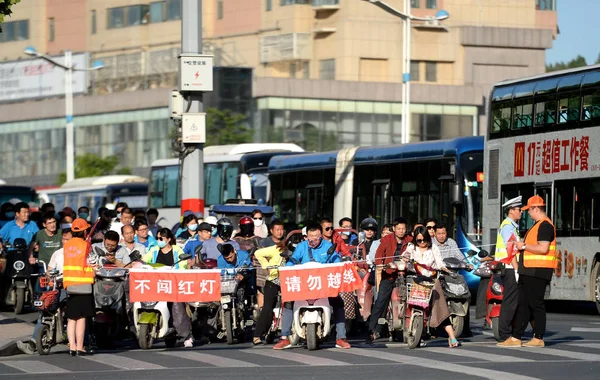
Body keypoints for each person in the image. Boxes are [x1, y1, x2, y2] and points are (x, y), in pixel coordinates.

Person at [273, 223, 351, 350]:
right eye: (310, 238)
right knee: (287, 302)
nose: (312, 240)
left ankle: (341, 337)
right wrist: (286, 269)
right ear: (306, 236)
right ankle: (284, 337)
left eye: (315, 237)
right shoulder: (301, 247)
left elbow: (336, 262)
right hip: (304, 284)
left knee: (338, 302)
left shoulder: (328, 247)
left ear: (321, 236)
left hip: (323, 285)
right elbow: (292, 261)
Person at [498, 195, 557, 348]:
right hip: (529, 270)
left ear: (536, 209)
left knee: (535, 304)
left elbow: (543, 248)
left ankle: (538, 337)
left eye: (529, 210)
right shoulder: (537, 225)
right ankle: (516, 337)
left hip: (538, 271)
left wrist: (523, 246)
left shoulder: (545, 226)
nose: (527, 214)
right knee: (523, 304)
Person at [17, 228, 73, 355]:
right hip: (57, 287)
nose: (65, 241)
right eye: (64, 239)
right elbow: (49, 270)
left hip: (71, 287)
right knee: (44, 309)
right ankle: (32, 343)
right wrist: (50, 278)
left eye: (68, 239)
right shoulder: (57, 254)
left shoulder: (77, 254)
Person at [404, 226, 461, 347]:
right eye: (419, 240)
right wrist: (403, 259)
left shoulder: (433, 248)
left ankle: (452, 337)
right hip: (414, 280)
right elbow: (404, 257)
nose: (422, 243)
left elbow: (439, 262)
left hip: (431, 281)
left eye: (424, 240)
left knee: (439, 306)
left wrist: (445, 269)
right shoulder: (411, 247)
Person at [141, 228, 193, 347]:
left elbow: (182, 264)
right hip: (155, 285)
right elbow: (144, 261)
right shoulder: (153, 250)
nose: (158, 241)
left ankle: (187, 336)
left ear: (169, 239)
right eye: (157, 238)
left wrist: (175, 270)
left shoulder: (177, 250)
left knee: (177, 307)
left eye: (161, 238)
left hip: (173, 285)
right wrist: (139, 264)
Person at [366, 217, 412, 343]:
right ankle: (372, 330)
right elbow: (378, 255)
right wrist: (381, 265)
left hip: (405, 274)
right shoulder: (386, 239)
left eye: (403, 228)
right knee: (381, 301)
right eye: (399, 229)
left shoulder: (410, 240)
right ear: (394, 229)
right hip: (389, 274)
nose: (401, 231)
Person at [253, 236, 300, 345]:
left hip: (290, 281)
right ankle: (257, 335)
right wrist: (267, 266)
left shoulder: (300, 252)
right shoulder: (276, 249)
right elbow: (258, 253)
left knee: (293, 305)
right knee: (268, 307)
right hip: (274, 280)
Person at [433, 223, 474, 337]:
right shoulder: (431, 244)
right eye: (439, 234)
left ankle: (465, 327)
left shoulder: (451, 242)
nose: (441, 236)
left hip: (452, 276)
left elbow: (459, 256)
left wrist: (467, 264)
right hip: (438, 276)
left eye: (443, 233)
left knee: (466, 295)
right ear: (435, 234)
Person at [63, 218, 95, 356]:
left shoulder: (67, 245)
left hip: (70, 284)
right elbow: (92, 261)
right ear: (85, 231)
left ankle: (72, 347)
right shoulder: (87, 245)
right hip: (84, 283)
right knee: (81, 318)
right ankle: (80, 347)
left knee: (71, 318)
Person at [494, 196, 523, 343]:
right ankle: (505, 335)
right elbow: (510, 249)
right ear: (511, 210)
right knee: (510, 302)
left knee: (513, 301)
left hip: (510, 267)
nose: (521, 212)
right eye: (519, 209)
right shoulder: (507, 226)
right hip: (510, 267)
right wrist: (517, 270)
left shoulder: (511, 226)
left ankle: (508, 333)